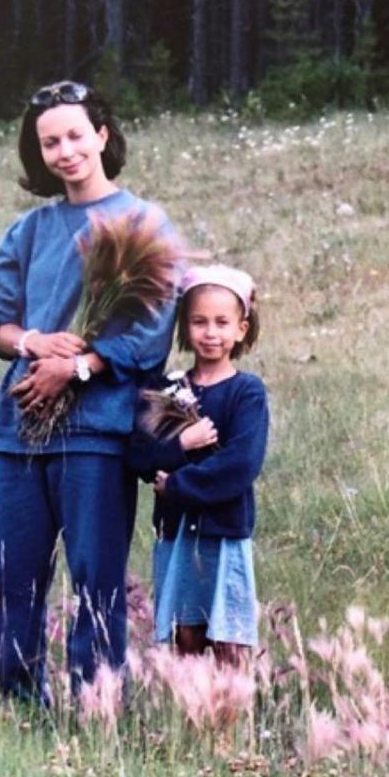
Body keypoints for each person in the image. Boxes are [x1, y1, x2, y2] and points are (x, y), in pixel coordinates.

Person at [0, 81, 179, 703]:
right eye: (48, 143)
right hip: (20, 434)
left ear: (102, 135)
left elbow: (150, 336)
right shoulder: (29, 231)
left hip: (96, 435)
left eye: (73, 136)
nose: (63, 151)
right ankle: (22, 709)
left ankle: (96, 711)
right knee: (4, 581)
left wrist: (80, 367)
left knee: (96, 579)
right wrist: (32, 344)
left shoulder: (143, 222)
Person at [126, 264, 268, 665]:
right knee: (185, 634)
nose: (211, 333)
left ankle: (231, 723)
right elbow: (139, 456)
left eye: (222, 322)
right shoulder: (166, 390)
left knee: (229, 639)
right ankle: (191, 718)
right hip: (176, 535)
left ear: (241, 328)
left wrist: (178, 486)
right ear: (184, 327)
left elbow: (241, 463)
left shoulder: (246, 392)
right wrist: (181, 445)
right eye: (199, 322)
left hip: (225, 532)